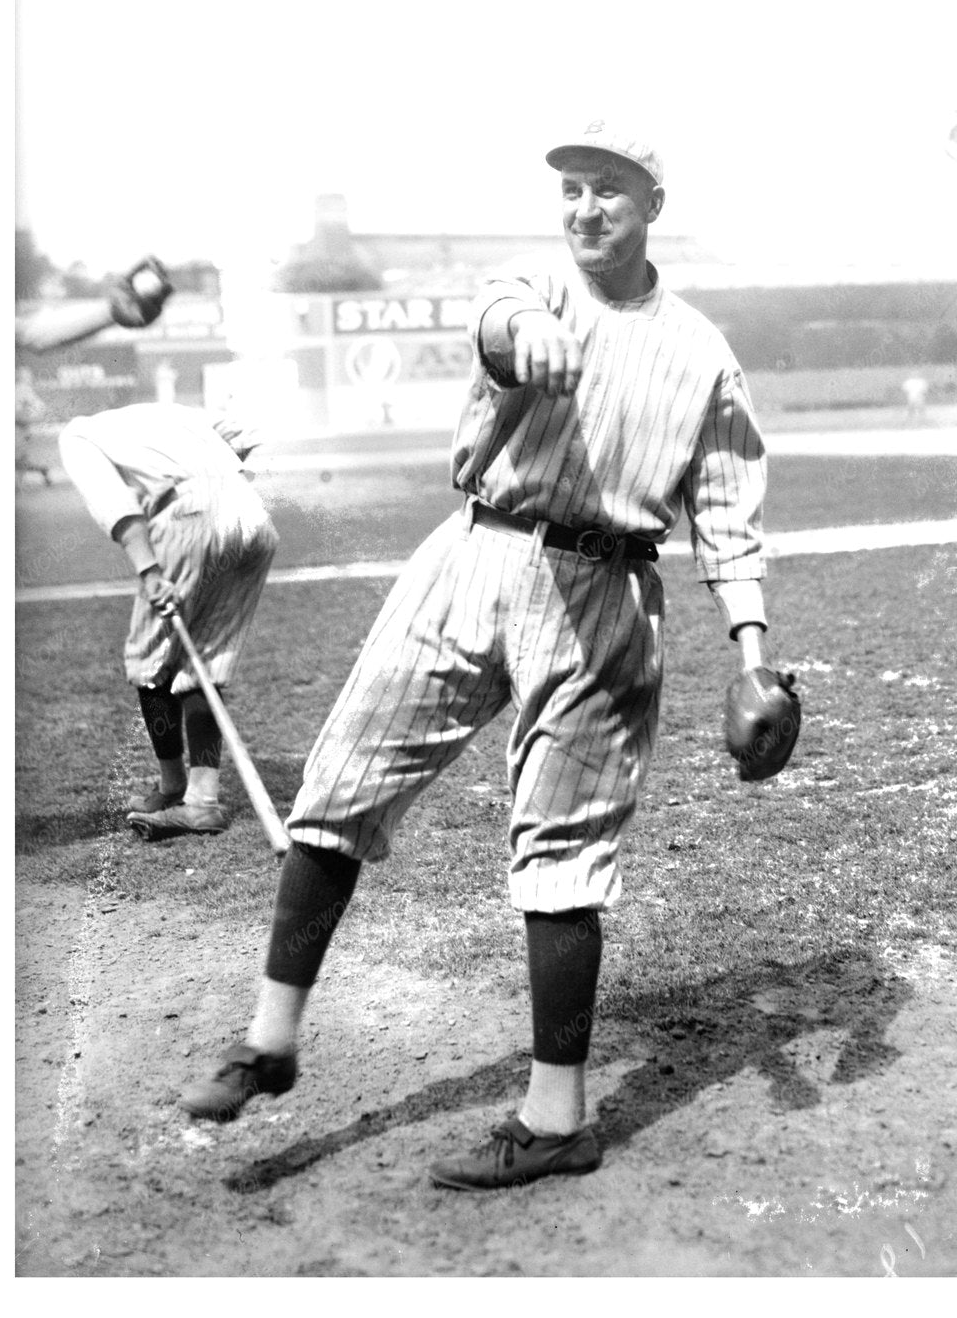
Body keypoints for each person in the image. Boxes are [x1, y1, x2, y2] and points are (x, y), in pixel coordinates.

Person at [181, 121, 774, 1191]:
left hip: (607, 592)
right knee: (338, 787)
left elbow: (728, 518)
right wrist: (523, 333)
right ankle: (269, 1040)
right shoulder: (530, 286)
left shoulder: (702, 352)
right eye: (573, 187)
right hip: (473, 554)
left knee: (562, 854)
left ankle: (556, 1119)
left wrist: (753, 655)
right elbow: (497, 318)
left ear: (653, 204)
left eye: (608, 189)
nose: (585, 207)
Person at [55, 402, 278, 838]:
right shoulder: (173, 413)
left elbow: (115, 504)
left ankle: (174, 785)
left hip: (188, 521)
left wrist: (150, 570)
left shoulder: (78, 435)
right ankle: (201, 801)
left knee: (150, 661)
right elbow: (247, 434)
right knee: (205, 662)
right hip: (251, 515)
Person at [15, 255, 173, 353]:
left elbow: (33, 334)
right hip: (45, 332)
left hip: (45, 331)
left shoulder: (122, 309)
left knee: (28, 331)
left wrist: (137, 271)